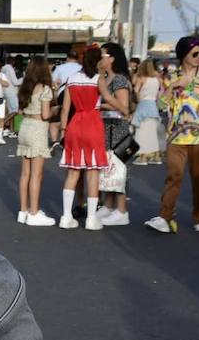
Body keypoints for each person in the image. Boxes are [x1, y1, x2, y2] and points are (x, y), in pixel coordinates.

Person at [146, 36, 199, 234]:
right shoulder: (171, 77)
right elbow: (160, 105)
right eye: (195, 54)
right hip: (177, 134)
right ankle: (165, 217)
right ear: (184, 55)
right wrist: (173, 87)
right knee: (173, 175)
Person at [57, 46, 107, 230]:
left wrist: (63, 130)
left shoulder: (72, 79)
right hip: (93, 123)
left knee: (73, 172)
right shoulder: (97, 79)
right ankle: (91, 219)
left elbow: (65, 108)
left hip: (75, 124)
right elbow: (107, 97)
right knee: (93, 172)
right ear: (97, 61)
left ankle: (66, 216)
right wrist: (124, 108)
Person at [95, 42, 133, 226]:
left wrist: (103, 103)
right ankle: (108, 205)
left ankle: (121, 209)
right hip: (105, 129)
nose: (99, 59)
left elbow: (124, 107)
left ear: (112, 59)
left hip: (118, 130)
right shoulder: (103, 78)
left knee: (119, 170)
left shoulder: (119, 80)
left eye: (102, 55)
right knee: (107, 170)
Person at [15, 56, 56, 226]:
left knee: (25, 174)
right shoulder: (45, 88)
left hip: (25, 126)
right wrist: (56, 110)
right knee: (36, 175)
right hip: (38, 128)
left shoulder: (26, 87)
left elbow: (21, 110)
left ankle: (23, 211)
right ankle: (34, 212)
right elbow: (46, 114)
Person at [131, 58, 163, 164]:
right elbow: (159, 93)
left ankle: (142, 157)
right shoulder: (157, 79)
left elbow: (136, 91)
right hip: (153, 106)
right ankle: (157, 157)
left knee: (141, 132)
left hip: (143, 105)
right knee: (152, 133)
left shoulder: (142, 78)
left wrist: (138, 98)